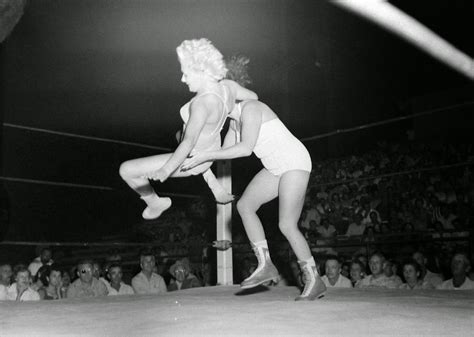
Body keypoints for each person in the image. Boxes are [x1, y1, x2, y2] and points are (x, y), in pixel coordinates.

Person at [182, 96, 326, 300]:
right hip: (275, 167)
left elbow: (245, 148)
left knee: (286, 224)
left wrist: (205, 155)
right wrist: (196, 151)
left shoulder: (251, 108)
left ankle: (314, 279)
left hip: (294, 162)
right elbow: (223, 154)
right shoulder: (233, 124)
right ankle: (265, 264)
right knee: (245, 206)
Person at [119, 38, 257, 220]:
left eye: (186, 74)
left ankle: (156, 203)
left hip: (192, 160)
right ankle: (214, 186)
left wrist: (166, 170)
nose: (182, 79)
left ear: (202, 71)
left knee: (126, 170)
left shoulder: (201, 104)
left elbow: (188, 143)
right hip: (210, 151)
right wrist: (234, 118)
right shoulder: (228, 88)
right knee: (179, 134)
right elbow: (253, 97)